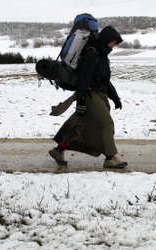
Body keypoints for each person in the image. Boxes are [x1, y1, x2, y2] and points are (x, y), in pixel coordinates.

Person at [49, 26, 127, 169]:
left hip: (100, 95)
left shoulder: (102, 55)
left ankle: (58, 150)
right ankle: (110, 158)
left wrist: (115, 98)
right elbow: (84, 78)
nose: (114, 45)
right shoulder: (92, 53)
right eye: (113, 42)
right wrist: (81, 100)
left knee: (80, 125)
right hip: (90, 94)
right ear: (106, 40)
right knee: (106, 124)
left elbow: (105, 80)